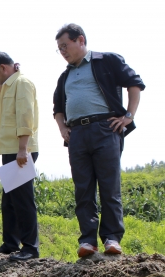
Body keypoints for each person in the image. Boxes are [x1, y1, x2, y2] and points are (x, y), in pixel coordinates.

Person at [53, 23, 145, 257]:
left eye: (65, 45)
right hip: (77, 135)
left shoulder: (107, 60)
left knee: (108, 185)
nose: (62, 51)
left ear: (80, 40)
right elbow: (57, 108)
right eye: (59, 48)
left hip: (105, 129)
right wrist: (62, 128)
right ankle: (88, 241)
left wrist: (128, 116)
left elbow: (135, 84)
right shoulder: (65, 76)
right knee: (83, 189)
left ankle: (112, 238)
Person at [0, 51, 40, 261]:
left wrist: (22, 148)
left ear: (3, 67)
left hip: (21, 149)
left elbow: (26, 115)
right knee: (9, 199)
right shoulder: (9, 85)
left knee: (23, 199)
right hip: (11, 149)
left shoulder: (23, 83)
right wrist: (7, 78)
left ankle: (30, 247)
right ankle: (10, 243)